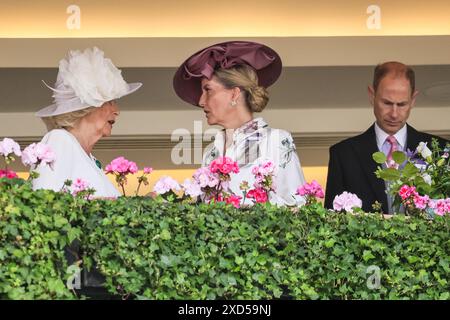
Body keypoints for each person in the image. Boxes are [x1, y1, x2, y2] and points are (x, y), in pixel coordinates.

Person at [173, 41, 306, 206]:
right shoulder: (211, 152)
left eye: (208, 90)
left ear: (234, 94)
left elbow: (299, 206)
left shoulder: (276, 140)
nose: (200, 101)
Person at [324, 61, 449, 213]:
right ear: (372, 95)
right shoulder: (343, 154)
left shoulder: (441, 151)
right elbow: (331, 222)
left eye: (402, 104)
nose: (394, 114)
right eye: (387, 103)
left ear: (413, 100)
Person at [32, 47, 142, 198]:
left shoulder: (89, 159)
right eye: (110, 102)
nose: (117, 111)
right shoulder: (59, 140)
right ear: (86, 108)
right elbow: (45, 203)